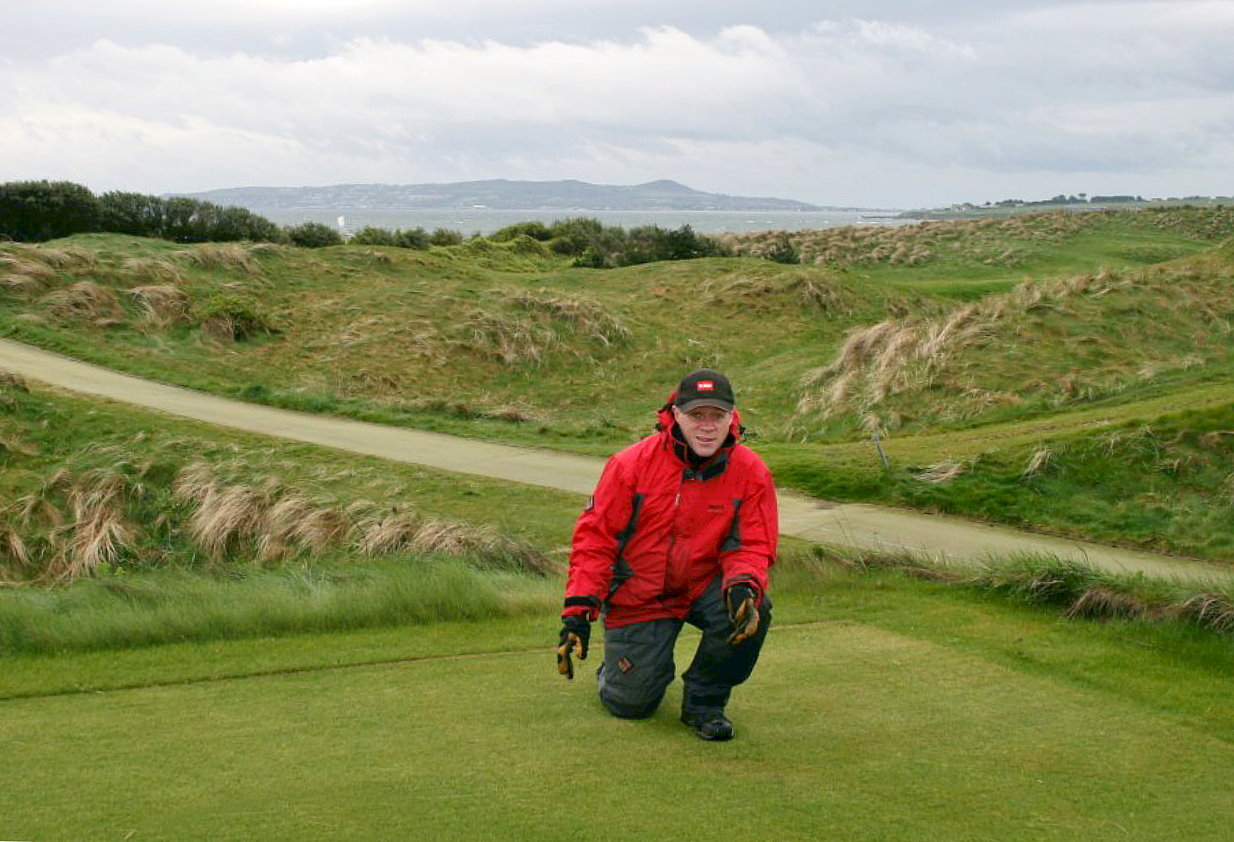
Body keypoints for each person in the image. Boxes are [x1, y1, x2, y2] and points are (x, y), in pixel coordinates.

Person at [556, 369, 778, 741]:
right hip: (640, 595)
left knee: (753, 608)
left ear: (732, 417)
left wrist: (744, 584)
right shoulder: (629, 465)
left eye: (717, 416)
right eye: (696, 415)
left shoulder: (751, 472)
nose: (707, 426)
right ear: (675, 414)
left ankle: (704, 704)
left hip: (703, 585)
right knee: (631, 705)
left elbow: (752, 544)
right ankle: (617, 673)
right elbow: (596, 542)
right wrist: (578, 611)